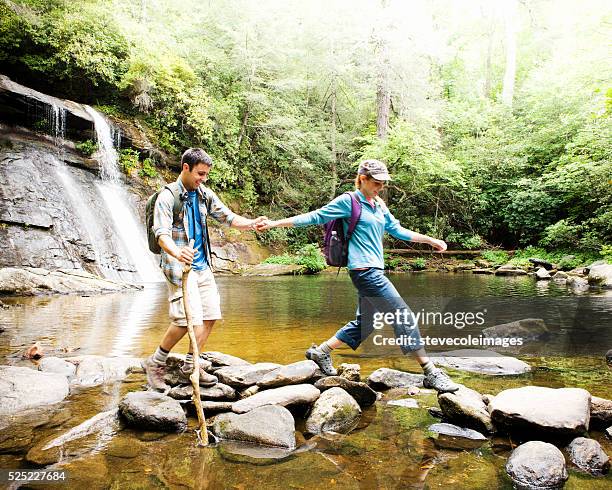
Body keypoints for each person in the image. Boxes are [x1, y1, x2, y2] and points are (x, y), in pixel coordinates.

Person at [257, 159, 460, 393]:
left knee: (366, 323)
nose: (380, 187)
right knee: (403, 315)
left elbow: (397, 230)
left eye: (383, 184)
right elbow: (315, 216)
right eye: (376, 183)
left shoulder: (379, 205)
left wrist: (430, 240)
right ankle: (430, 372)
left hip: (375, 270)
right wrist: (274, 224)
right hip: (365, 272)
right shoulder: (348, 201)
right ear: (362, 179)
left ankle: (320, 352)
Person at [143, 148, 267, 392]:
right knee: (185, 321)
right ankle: (155, 362)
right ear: (185, 168)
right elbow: (161, 235)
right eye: (200, 173)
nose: (203, 179)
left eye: (206, 175)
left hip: (202, 266)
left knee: (210, 316)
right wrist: (177, 252)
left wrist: (251, 224)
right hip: (179, 268)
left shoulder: (204, 195)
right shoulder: (167, 197)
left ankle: (192, 365)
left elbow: (228, 218)